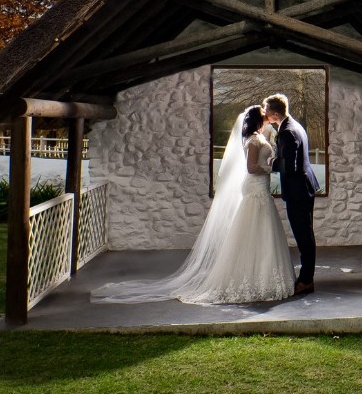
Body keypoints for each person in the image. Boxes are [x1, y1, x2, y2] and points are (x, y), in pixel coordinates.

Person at [91, 105, 294, 305]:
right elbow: (251, 168)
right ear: (258, 121)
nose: (267, 117)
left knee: (261, 230)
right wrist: (271, 168)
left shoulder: (258, 137)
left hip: (260, 188)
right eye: (263, 116)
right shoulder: (253, 141)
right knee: (254, 226)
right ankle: (251, 277)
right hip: (256, 187)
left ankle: (260, 273)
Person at [263, 93, 319, 295]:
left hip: (298, 191)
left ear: (275, 113)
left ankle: (306, 280)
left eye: (266, 109)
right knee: (305, 233)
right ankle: (306, 277)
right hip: (303, 188)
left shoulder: (287, 131)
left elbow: (292, 166)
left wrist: (272, 163)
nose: (265, 113)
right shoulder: (293, 125)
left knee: (303, 235)